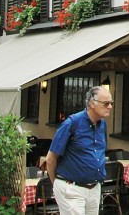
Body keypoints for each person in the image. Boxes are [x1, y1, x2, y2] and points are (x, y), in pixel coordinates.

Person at [40, 85, 112, 215]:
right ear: (92, 103)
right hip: (71, 188)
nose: (110, 107)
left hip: (94, 188)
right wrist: (57, 185)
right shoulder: (72, 123)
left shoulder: (102, 125)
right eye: (106, 103)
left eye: (111, 103)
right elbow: (51, 159)